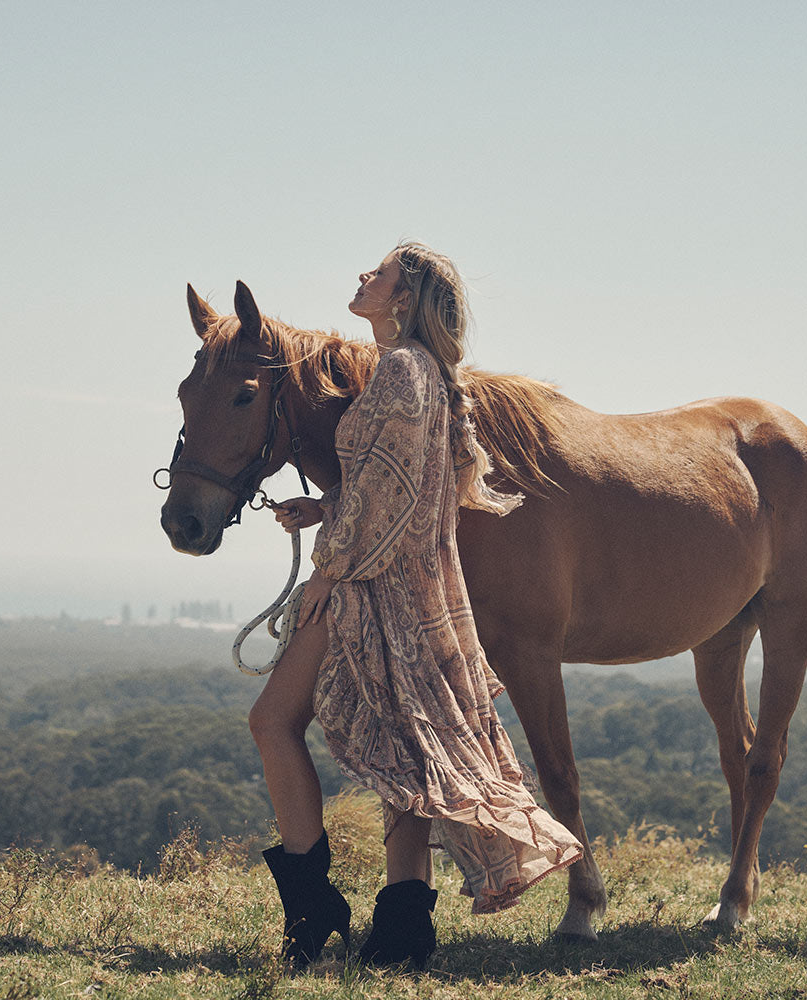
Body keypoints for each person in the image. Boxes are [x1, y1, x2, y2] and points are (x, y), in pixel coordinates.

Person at [248, 241, 583, 971]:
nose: (363, 277)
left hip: (368, 583)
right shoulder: (423, 372)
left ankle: (313, 910)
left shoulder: (401, 370)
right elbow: (408, 483)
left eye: (379, 273)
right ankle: (402, 927)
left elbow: (388, 493)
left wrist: (329, 574)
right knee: (407, 752)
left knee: (273, 720)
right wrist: (326, 503)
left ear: (404, 298)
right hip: (402, 581)